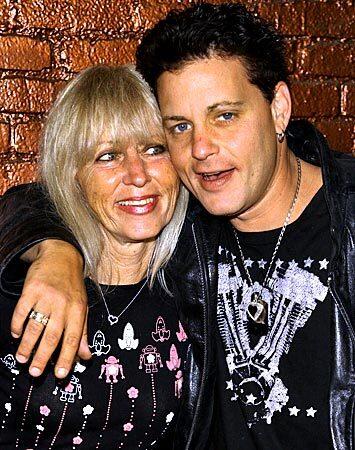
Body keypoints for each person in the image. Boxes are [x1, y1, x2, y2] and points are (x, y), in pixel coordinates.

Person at [0, 3, 354, 450]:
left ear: (278, 108)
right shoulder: (191, 232)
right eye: (180, 127)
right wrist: (54, 253)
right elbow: (38, 198)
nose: (201, 148)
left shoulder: (347, 222)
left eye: (225, 115)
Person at [0, 64, 190, 448]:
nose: (138, 175)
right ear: (73, 176)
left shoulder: (196, 280)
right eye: (108, 156)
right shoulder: (22, 285)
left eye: (155, 150)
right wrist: (53, 251)